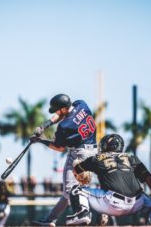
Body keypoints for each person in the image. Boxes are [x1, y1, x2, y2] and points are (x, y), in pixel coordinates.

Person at [65, 134, 151, 225]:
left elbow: (76, 169)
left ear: (107, 146)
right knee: (143, 196)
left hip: (113, 204)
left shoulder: (97, 158)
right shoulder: (132, 157)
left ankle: (83, 213)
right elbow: (150, 181)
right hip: (137, 203)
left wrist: (77, 173)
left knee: (76, 190)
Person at [31, 94, 98, 226]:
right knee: (78, 189)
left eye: (56, 110)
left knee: (69, 190)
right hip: (94, 151)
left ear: (62, 109)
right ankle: (50, 219)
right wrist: (45, 125)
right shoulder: (81, 104)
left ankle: (82, 212)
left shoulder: (65, 126)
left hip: (79, 154)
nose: (55, 112)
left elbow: (60, 148)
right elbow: (63, 114)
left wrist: (40, 141)